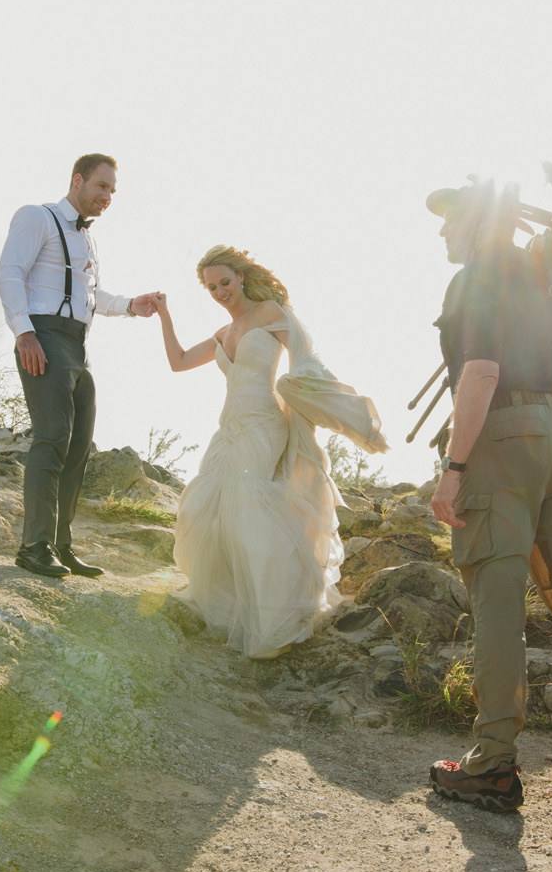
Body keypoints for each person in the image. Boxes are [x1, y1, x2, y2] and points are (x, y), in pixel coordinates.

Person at [424, 179, 552, 811]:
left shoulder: (477, 276)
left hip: (504, 435)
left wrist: (455, 465)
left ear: (480, 223)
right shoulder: (546, 274)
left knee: (499, 594)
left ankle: (492, 762)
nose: (442, 231)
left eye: (451, 218)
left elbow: (480, 372)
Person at [146, 245, 386, 659]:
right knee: (204, 505)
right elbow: (179, 361)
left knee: (251, 506)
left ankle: (275, 617)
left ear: (240, 277)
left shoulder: (271, 312)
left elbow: (305, 355)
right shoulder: (224, 333)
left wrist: (305, 390)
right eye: (211, 287)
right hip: (229, 426)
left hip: (264, 423)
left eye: (225, 282)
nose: (220, 291)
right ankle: (230, 605)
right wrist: (165, 315)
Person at [0, 153, 161, 578]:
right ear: (77, 181)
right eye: (101, 186)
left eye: (113, 191)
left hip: (78, 344)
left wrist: (130, 306)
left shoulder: (87, 238)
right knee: (51, 438)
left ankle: (60, 544)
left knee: (76, 447)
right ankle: (33, 545)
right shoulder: (37, 216)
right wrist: (24, 332)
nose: (107, 196)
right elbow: (10, 273)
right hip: (43, 337)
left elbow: (92, 295)